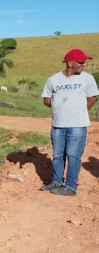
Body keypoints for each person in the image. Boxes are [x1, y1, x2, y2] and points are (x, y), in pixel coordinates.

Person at [40, 48, 99, 196]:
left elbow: (92, 98)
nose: (83, 64)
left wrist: (81, 111)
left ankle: (71, 186)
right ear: (70, 63)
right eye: (80, 62)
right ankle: (56, 181)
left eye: (84, 62)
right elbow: (46, 100)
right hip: (58, 125)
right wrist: (60, 106)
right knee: (58, 155)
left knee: (73, 156)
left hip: (78, 125)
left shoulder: (87, 78)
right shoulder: (53, 80)